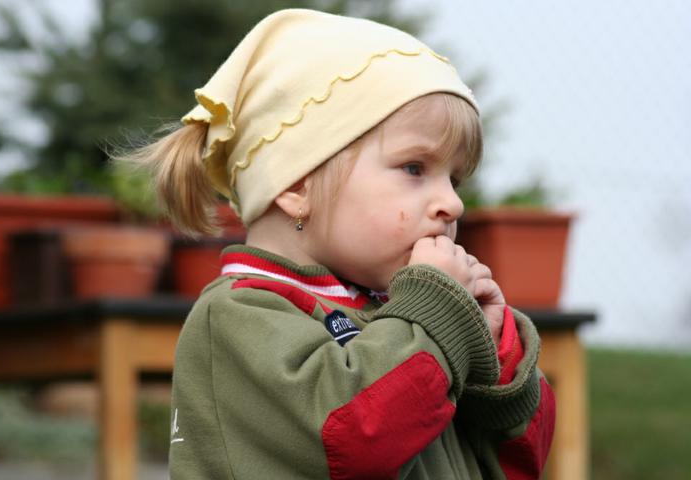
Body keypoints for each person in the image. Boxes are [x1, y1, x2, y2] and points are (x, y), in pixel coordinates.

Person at [121, 8, 555, 479]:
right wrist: (437, 315)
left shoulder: (407, 315)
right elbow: (356, 437)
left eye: (455, 179)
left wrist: (495, 355)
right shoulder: (238, 315)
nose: (452, 203)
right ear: (296, 184)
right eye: (414, 168)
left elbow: (520, 463)